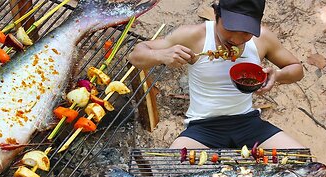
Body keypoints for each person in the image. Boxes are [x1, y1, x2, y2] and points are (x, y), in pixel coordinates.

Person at [128, 0, 305, 149]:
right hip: (203, 128)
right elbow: (135, 56)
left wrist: (277, 76)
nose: (236, 39)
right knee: (171, 171)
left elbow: (297, 69)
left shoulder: (262, 39)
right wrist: (160, 55)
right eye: (230, 28)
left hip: (249, 124)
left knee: (304, 164)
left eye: (245, 32)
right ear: (216, 14)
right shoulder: (194, 36)